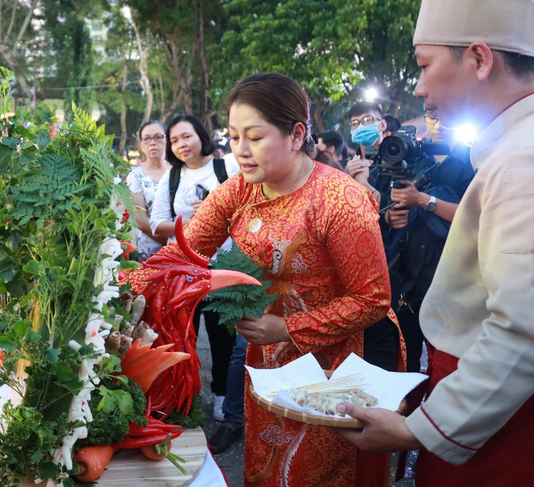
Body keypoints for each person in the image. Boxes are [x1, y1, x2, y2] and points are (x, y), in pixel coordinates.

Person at [138, 72, 395, 486]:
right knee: (268, 463)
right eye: (233, 136)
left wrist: (288, 328)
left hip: (336, 360)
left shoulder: (339, 200)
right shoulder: (238, 191)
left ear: (296, 135)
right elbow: (179, 257)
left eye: (254, 137)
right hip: (267, 358)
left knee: (316, 470)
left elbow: (373, 298)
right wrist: (116, 291)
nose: (240, 151)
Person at [336, 2, 534, 486]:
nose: (420, 88)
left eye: (425, 65)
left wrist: (417, 430)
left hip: (502, 425)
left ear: (480, 59)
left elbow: (523, 332)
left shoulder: (522, 160)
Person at [150, 114, 239, 423]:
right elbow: (155, 222)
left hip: (223, 267)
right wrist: (187, 223)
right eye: (174, 140)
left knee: (222, 336)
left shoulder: (226, 168)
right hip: (184, 271)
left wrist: (218, 207)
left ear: (201, 136)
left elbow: (252, 203)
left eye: (186, 136)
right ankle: (179, 394)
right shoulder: (172, 178)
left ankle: (222, 396)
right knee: (182, 335)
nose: (181, 144)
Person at [384, 111, 474, 373]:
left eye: (446, 115)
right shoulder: (408, 155)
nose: (441, 124)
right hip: (407, 277)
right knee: (406, 362)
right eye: (432, 117)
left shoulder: (472, 160)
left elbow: (474, 216)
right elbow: (386, 207)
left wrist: (423, 200)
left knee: (447, 365)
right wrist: (391, 216)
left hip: (452, 274)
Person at [125, 120, 170, 261]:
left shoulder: (181, 171)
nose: (152, 142)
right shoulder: (136, 176)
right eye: (147, 139)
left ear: (167, 139)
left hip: (185, 250)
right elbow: (141, 221)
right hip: (151, 254)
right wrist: (171, 242)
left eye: (158, 137)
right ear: (141, 145)